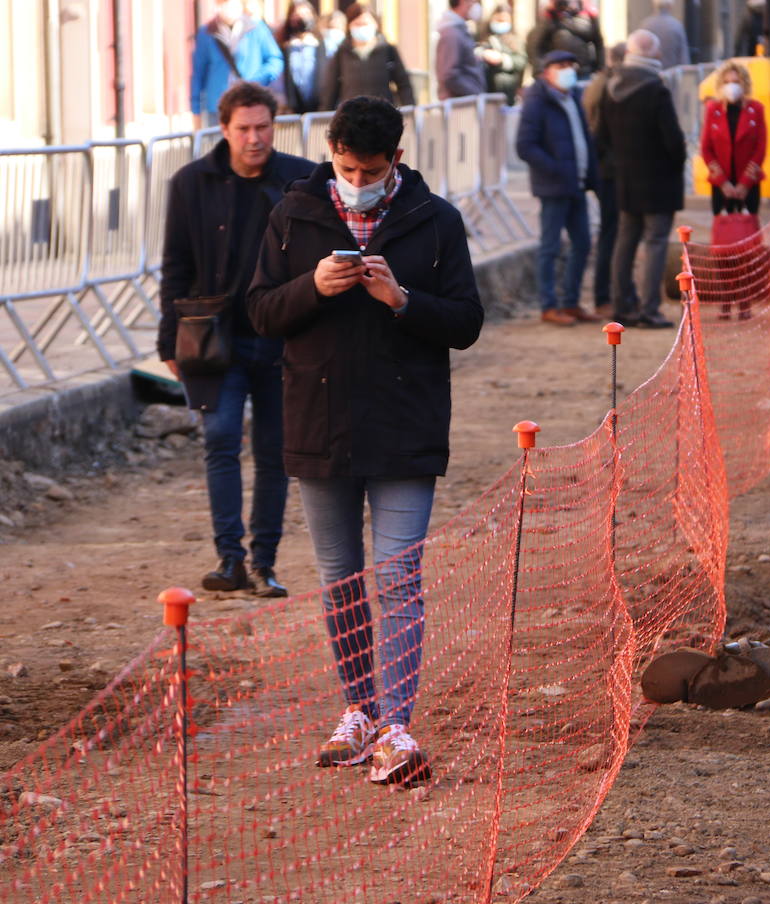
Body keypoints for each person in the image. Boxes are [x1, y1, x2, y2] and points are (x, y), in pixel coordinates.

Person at [247, 96, 484, 788]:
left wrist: (404, 301)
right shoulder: (295, 214)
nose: (357, 180)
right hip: (319, 425)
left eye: (371, 170)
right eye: (346, 167)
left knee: (400, 579)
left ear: (397, 162)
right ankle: (357, 709)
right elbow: (261, 310)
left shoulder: (436, 221)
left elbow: (466, 320)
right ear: (330, 154)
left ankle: (396, 723)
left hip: (405, 427)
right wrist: (312, 288)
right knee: (341, 580)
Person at [157, 82, 313, 598]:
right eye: (244, 129)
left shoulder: (301, 180)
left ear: (275, 125)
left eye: (263, 127)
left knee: (275, 453)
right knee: (220, 441)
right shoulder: (190, 183)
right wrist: (167, 343)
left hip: (280, 340)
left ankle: (264, 563)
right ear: (223, 129)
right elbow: (175, 268)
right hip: (212, 341)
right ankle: (230, 558)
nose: (254, 138)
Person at [598, 30, 685, 330]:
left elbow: (601, 137)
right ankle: (649, 309)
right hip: (658, 180)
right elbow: (673, 141)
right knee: (656, 243)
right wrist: (678, 163)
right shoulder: (656, 90)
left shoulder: (611, 88)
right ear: (651, 53)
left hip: (625, 179)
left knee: (625, 242)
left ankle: (621, 306)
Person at [517, 51, 600, 326]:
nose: (568, 71)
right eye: (561, 66)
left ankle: (571, 301)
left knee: (583, 243)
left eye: (570, 65)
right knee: (550, 247)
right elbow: (525, 145)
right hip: (553, 186)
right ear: (546, 71)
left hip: (576, 183)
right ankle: (548, 305)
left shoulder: (574, 97)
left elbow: (583, 137)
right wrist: (554, 168)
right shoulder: (537, 101)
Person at [191, 0, 284, 127]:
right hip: (218, 107)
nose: (228, 6)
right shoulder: (206, 32)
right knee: (220, 146)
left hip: (250, 101)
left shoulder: (256, 28)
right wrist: (196, 109)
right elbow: (198, 74)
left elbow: (275, 60)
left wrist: (257, 81)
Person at [584, 41, 626, 313]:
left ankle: (605, 293)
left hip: (605, 169)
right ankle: (603, 295)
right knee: (611, 233)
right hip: (609, 172)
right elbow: (601, 134)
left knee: (611, 233)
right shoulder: (611, 88)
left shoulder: (601, 83)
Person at [700, 60, 765, 216]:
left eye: (736, 82)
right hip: (721, 183)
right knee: (723, 232)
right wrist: (723, 183)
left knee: (748, 231)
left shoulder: (756, 109)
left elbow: (760, 147)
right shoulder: (712, 109)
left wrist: (744, 183)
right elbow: (706, 148)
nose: (731, 86)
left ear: (744, 84)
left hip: (749, 184)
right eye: (727, 82)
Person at [320, 4, 414, 111]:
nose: (361, 28)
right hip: (352, 115)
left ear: (376, 24)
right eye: (357, 24)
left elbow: (403, 83)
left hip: (383, 113)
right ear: (349, 26)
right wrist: (325, 113)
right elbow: (331, 88)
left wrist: (409, 110)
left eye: (365, 23)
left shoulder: (388, 50)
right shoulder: (342, 52)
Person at [527, 0, 605, 80]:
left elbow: (599, 44)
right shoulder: (549, 17)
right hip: (557, 73)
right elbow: (534, 45)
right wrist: (539, 70)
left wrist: (600, 68)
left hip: (584, 72)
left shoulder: (589, 15)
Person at [276, 2, 325, 114]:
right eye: (297, 15)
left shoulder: (320, 44)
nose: (302, 18)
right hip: (292, 108)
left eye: (305, 13)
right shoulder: (283, 46)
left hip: (317, 106)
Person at [477, 3, 529, 105]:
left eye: (504, 20)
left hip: (508, 91)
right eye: (498, 20)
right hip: (487, 89)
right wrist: (484, 54)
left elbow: (521, 61)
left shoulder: (516, 40)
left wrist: (502, 59)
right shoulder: (484, 37)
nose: (501, 23)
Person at [436, 0, 486, 101]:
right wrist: (475, 92)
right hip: (460, 108)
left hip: (464, 104)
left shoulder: (459, 30)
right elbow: (449, 75)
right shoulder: (451, 33)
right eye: (472, 2)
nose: (474, 6)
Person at [639, 0, 690, 70]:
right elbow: (683, 58)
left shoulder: (645, 24)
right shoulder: (676, 25)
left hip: (649, 73)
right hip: (671, 74)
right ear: (670, 6)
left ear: (654, 5)